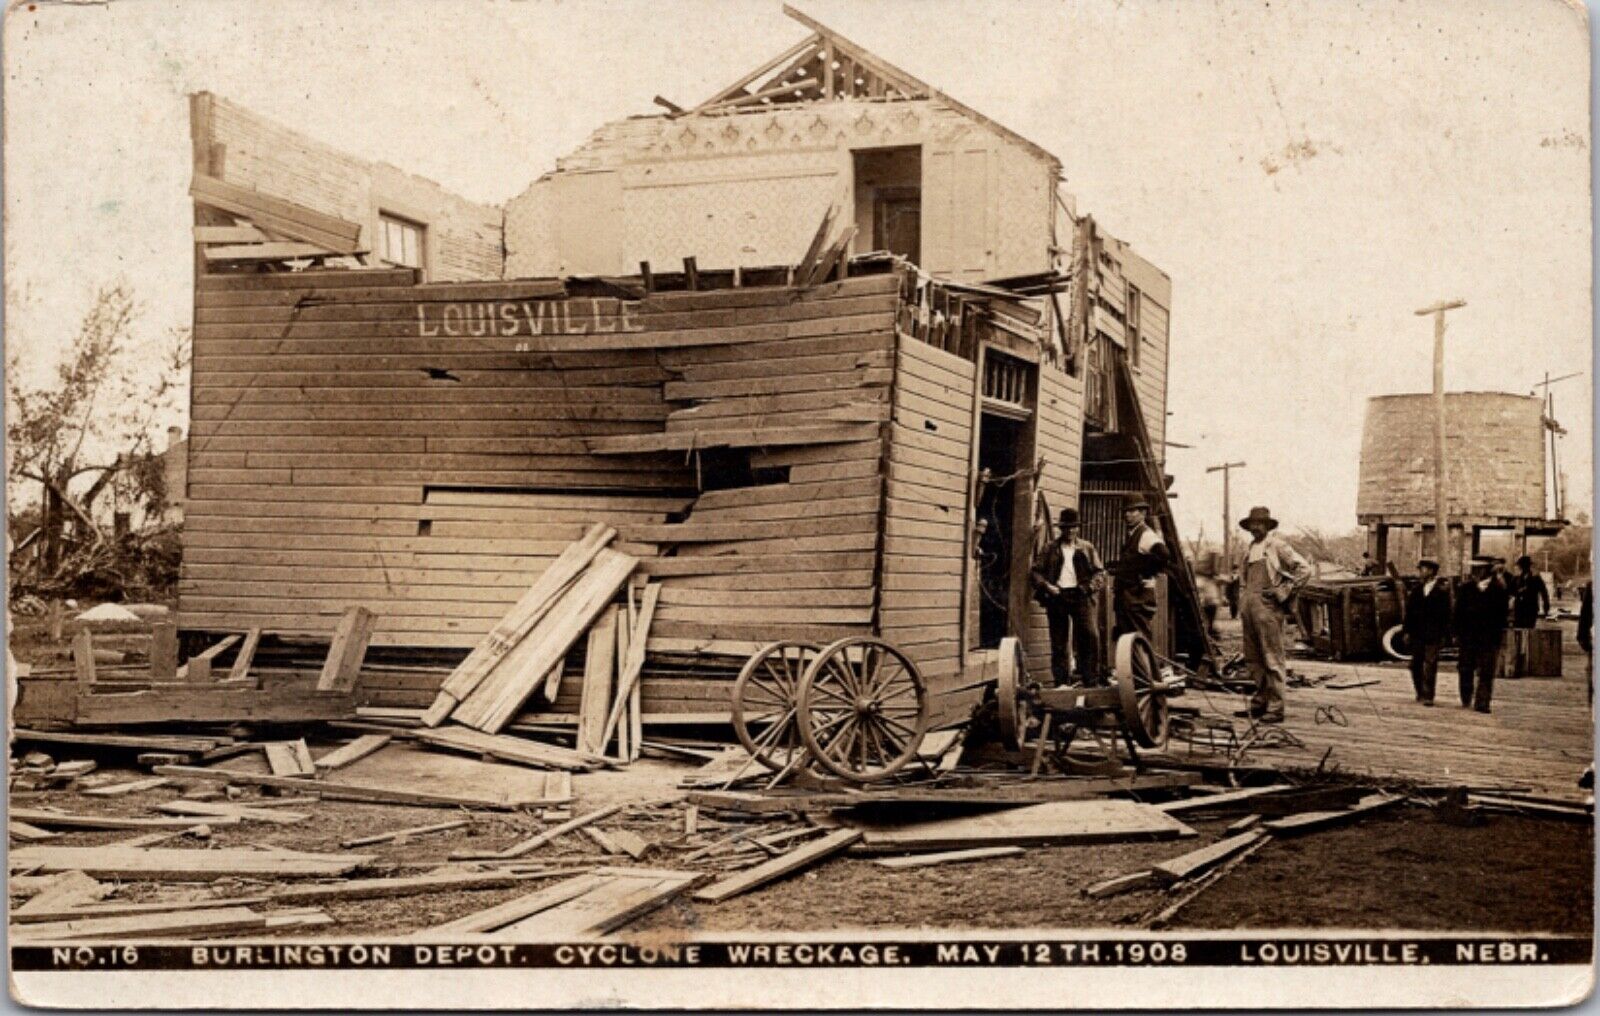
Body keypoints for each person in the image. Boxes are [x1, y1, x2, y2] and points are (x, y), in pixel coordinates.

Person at [1231, 506, 1312, 724]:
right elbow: (1243, 581)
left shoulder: (1276, 546)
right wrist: (1242, 603)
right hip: (1249, 607)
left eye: (1259, 524)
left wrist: (1282, 591)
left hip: (1268, 609)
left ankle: (1276, 708)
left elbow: (1304, 569)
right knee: (1253, 658)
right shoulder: (1249, 549)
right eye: (1252, 524)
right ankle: (1260, 703)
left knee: (1272, 658)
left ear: (1267, 526)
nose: (1255, 528)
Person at [1030, 507, 1104, 685]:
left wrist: (1088, 588)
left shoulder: (1087, 548)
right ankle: (1061, 683)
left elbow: (1099, 573)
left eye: (1074, 527)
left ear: (1078, 528)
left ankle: (1090, 680)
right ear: (1061, 529)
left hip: (1081, 597)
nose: (1070, 531)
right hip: (1058, 597)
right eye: (1067, 527)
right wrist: (1047, 586)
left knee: (1089, 636)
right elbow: (1036, 572)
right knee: (1059, 642)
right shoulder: (1050, 548)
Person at [1454, 555, 1510, 713]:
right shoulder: (1465, 588)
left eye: (1479, 568)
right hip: (1468, 637)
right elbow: (1457, 613)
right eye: (1474, 568)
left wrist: (1498, 636)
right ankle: (1466, 697)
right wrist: (1456, 633)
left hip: (1488, 638)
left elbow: (1502, 616)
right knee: (1465, 668)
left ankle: (1482, 702)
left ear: (1487, 570)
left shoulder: (1498, 590)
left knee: (1486, 671)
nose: (1474, 571)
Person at [1110, 495, 1169, 643]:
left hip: (1137, 598)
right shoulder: (1133, 534)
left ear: (1143, 513)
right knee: (1128, 642)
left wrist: (1146, 574)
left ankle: (1145, 666)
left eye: (1132, 511)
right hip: (1127, 598)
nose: (1127, 515)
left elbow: (1163, 554)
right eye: (1125, 511)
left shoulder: (1146, 534)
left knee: (1139, 640)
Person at [1401, 557, 1451, 706]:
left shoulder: (1442, 591)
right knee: (1415, 664)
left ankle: (1429, 695)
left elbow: (1446, 614)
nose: (1420, 572)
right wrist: (1406, 631)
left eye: (1422, 569)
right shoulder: (1416, 590)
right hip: (1417, 633)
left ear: (1431, 571)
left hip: (1433, 634)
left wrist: (1445, 635)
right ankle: (1420, 692)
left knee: (1430, 663)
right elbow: (1409, 613)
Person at [1508, 555, 1550, 629]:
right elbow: (1510, 591)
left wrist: (1546, 608)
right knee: (1519, 629)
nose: (1523, 568)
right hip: (1519, 609)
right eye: (1522, 566)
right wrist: (1518, 592)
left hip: (1531, 609)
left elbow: (1544, 593)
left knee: (1529, 629)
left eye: (1524, 566)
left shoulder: (1536, 578)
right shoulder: (1516, 579)